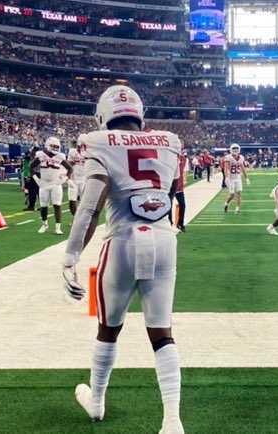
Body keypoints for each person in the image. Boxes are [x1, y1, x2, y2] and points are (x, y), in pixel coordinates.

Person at [60, 84, 185, 434]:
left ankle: (97, 402)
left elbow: (90, 206)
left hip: (123, 241)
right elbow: (172, 189)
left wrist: (70, 256)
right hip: (164, 240)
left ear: (103, 115)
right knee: (162, 332)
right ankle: (172, 420)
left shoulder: (99, 142)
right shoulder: (169, 140)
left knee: (108, 329)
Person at [33, 137, 72, 235]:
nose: (55, 148)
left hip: (55, 184)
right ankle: (44, 224)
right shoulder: (41, 155)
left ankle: (57, 227)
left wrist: (64, 179)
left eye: (56, 146)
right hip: (44, 184)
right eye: (53, 146)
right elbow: (31, 166)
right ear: (47, 145)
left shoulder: (60, 156)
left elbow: (70, 169)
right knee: (43, 206)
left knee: (57, 205)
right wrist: (36, 179)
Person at [221, 144, 250, 214]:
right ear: (231, 150)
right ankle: (226, 203)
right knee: (232, 194)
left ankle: (238, 209)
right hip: (230, 178)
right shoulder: (228, 157)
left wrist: (246, 178)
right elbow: (226, 168)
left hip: (238, 178)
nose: (235, 150)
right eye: (234, 149)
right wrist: (227, 177)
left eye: (236, 149)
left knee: (239, 193)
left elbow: (243, 168)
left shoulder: (241, 157)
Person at [67, 134, 90, 216]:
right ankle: (75, 218)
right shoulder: (72, 152)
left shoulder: (89, 152)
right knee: (72, 200)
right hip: (74, 179)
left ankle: (82, 217)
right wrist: (68, 178)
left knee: (84, 201)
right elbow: (68, 165)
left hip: (84, 178)